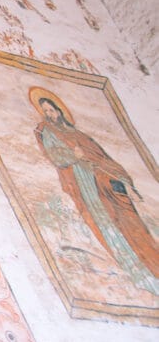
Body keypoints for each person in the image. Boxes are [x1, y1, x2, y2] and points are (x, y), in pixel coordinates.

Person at [30, 87, 159, 294]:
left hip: (108, 183)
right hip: (86, 185)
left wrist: (124, 181)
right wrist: (75, 156)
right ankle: (139, 274)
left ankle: (154, 265)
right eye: (45, 111)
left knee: (134, 226)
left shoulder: (80, 135)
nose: (49, 114)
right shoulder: (48, 131)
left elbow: (104, 158)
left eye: (51, 110)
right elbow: (56, 156)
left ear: (60, 110)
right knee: (107, 224)